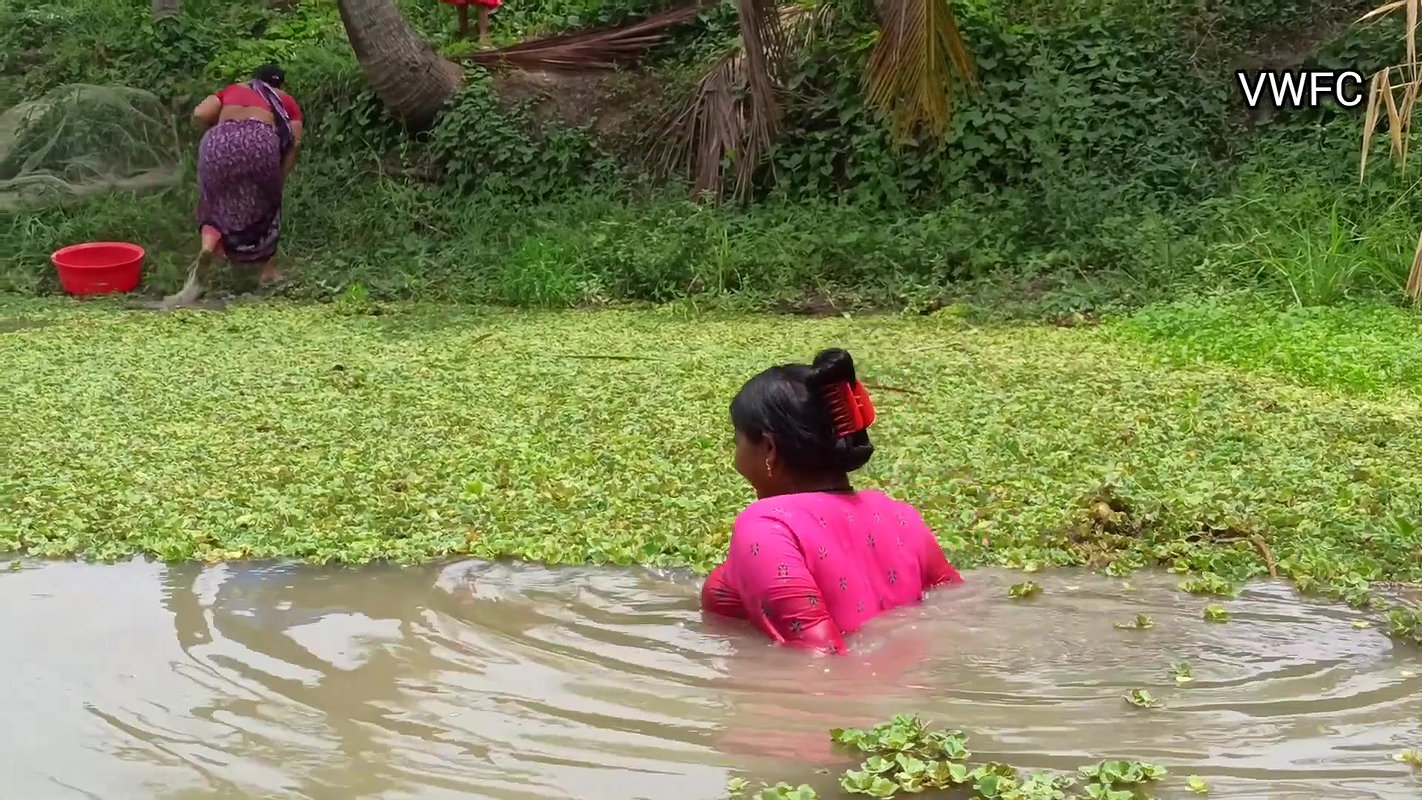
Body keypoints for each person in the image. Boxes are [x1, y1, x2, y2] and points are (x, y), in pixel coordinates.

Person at [700, 348, 964, 653]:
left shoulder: (766, 525)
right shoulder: (900, 515)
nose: (736, 459)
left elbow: (817, 657)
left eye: (738, 441)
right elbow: (955, 605)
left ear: (769, 447)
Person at [167, 63, 303, 307]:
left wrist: (222, 133)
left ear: (253, 79)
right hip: (258, 141)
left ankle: (208, 249)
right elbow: (295, 141)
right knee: (269, 204)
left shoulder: (232, 89)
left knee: (212, 202)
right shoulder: (284, 99)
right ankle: (267, 272)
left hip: (219, 141)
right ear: (279, 85)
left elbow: (199, 113)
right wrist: (280, 177)